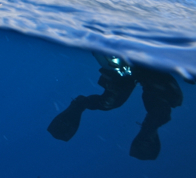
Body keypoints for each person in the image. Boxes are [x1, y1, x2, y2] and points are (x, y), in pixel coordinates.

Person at [47, 53, 183, 161]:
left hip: (135, 68)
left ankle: (79, 106)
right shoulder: (161, 94)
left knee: (112, 101)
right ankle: (79, 106)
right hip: (139, 68)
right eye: (146, 141)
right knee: (113, 101)